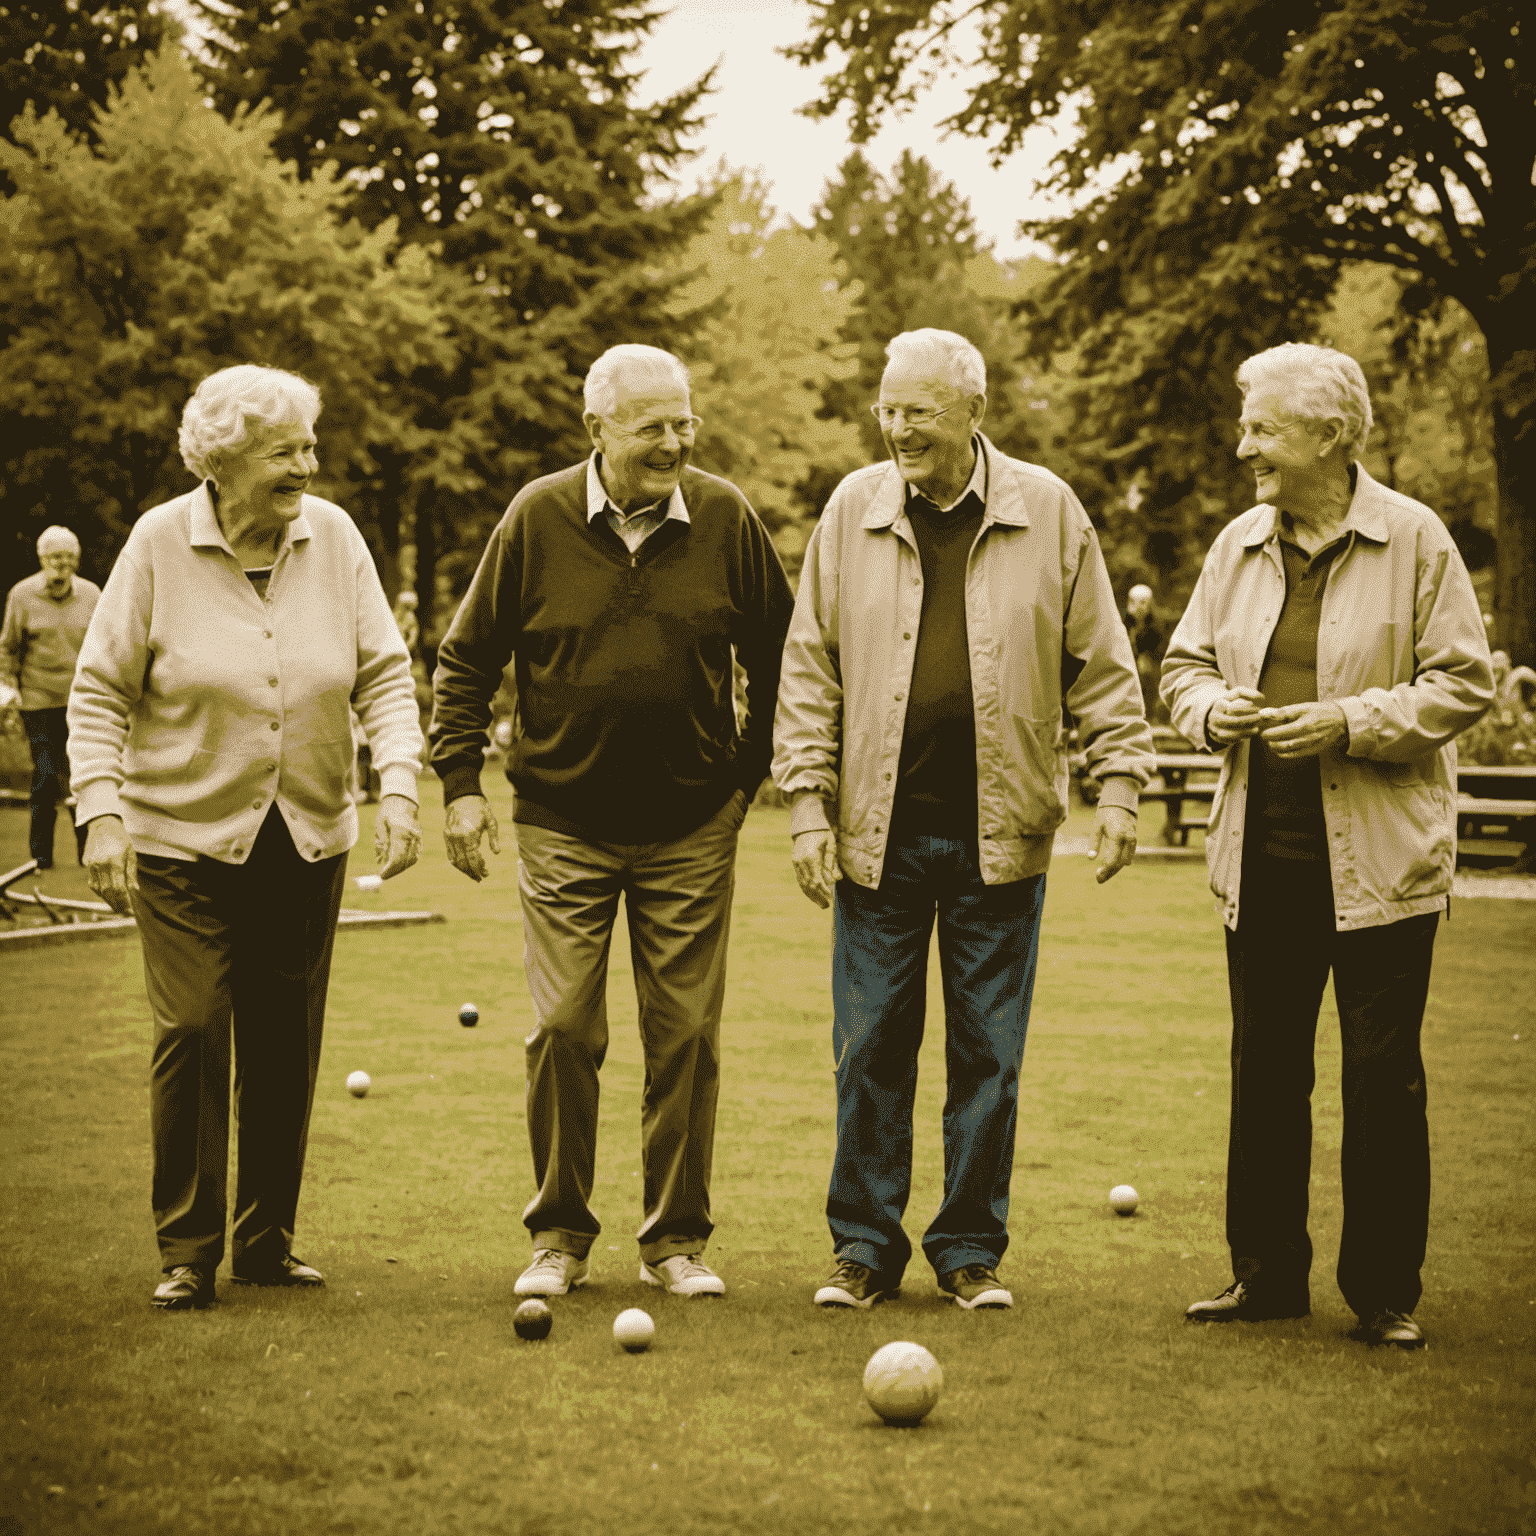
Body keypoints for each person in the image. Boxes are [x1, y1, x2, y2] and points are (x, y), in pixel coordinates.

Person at [773, 328, 1155, 1312]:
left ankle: (969, 1251)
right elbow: (808, 669)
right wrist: (806, 805)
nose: (899, 429)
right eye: (888, 411)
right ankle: (862, 1248)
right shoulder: (852, 510)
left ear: (975, 415)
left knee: (989, 1057)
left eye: (921, 413)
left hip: (1002, 838)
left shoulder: (1050, 512)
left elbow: (1103, 666)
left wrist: (1120, 785)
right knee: (869, 1051)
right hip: (874, 837)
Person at [430, 343, 795, 1302]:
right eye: (653, 427)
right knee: (562, 1029)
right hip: (562, 822)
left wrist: (741, 784)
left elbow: (785, 654)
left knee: (685, 1036)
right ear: (596, 430)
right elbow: (465, 661)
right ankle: (558, 1233)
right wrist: (460, 784)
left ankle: (675, 1242)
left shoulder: (724, 518)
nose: (676, 442)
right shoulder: (536, 518)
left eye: (685, 424)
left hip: (690, 827)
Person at [68, 365, 425, 1312]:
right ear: (221, 462)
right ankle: (188, 1251)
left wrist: (398, 786)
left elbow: (385, 675)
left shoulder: (335, 538)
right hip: (180, 838)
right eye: (285, 451)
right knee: (191, 1028)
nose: (307, 464)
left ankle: (265, 1242)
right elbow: (100, 690)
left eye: (309, 446)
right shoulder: (157, 544)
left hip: (305, 838)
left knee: (283, 1041)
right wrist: (100, 809)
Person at [1160, 342, 1493, 1349]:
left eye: (1260, 427)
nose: (1242, 445)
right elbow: (1182, 667)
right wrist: (1212, 709)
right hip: (1261, 863)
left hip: (1385, 870)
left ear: (1329, 436)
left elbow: (1462, 682)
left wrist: (1351, 720)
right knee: (1265, 1073)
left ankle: (1385, 1292)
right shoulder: (1236, 548)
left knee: (1381, 1080)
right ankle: (1263, 1279)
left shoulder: (1416, 540)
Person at [1, 526, 102, 868]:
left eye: (70, 557)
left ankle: (89, 854)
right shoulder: (22, 595)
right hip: (38, 700)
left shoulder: (92, 595)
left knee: (84, 778)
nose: (63, 564)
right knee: (45, 776)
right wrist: (7, 690)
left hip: (83, 701)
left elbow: (106, 647)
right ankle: (40, 858)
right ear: (42, 558)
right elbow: (8, 648)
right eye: (56, 557)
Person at [1124, 582, 1165, 721]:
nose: (1139, 607)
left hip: (1149, 673)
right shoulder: (1124, 624)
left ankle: (1150, 714)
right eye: (1135, 602)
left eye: (1143, 603)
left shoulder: (1155, 628)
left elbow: (1159, 652)